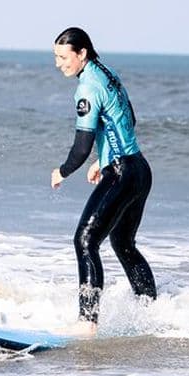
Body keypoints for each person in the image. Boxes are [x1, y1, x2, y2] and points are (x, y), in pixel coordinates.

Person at [50, 27, 156, 337]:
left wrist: (63, 170)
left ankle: (87, 321)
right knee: (123, 244)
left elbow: (81, 145)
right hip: (139, 169)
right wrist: (103, 159)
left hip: (122, 173)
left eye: (63, 57)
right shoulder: (107, 73)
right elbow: (127, 119)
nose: (58, 63)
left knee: (85, 241)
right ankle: (150, 310)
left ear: (81, 53)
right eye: (55, 57)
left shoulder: (87, 87)